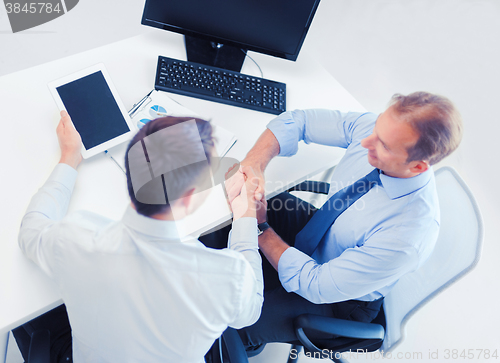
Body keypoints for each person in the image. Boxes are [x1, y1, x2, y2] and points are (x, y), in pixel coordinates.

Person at [209, 91, 463, 351]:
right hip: (324, 233)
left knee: (227, 324)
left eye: (384, 146)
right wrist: (255, 164)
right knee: (223, 215)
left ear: (419, 167)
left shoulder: (408, 235)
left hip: (338, 300)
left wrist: (260, 228)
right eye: (376, 128)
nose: (365, 142)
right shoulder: (380, 133)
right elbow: (299, 121)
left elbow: (315, 283)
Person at [14, 111, 263, 363]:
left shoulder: (75, 239)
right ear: (188, 196)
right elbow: (249, 313)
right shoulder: (228, 278)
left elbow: (30, 230)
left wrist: (69, 158)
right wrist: (245, 213)